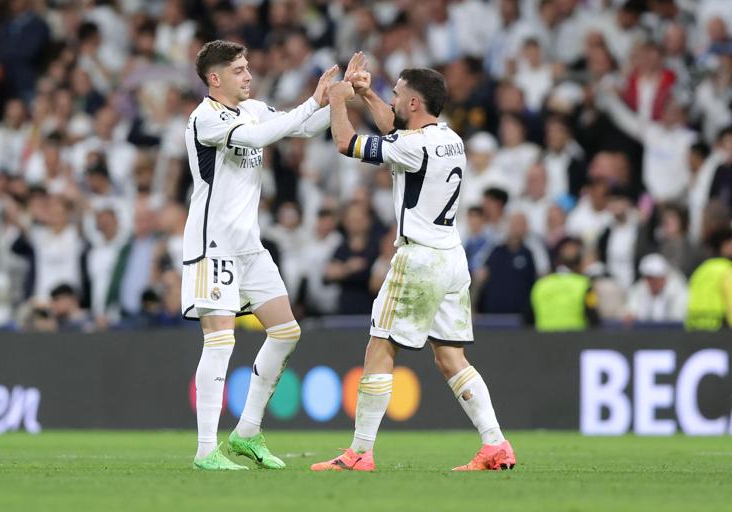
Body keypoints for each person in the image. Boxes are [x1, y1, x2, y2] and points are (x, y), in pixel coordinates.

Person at [312, 59, 515, 472]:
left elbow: (345, 142)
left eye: (397, 95)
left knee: (380, 346)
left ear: (415, 102)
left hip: (419, 258)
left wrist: (339, 100)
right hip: (452, 257)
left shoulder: (413, 146)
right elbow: (395, 127)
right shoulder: (449, 139)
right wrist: (367, 93)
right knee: (451, 358)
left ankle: (359, 452)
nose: (391, 99)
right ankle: (495, 445)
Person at [180, 40, 347, 471]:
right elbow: (261, 137)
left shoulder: (253, 108)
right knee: (219, 343)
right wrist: (311, 99)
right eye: (238, 70)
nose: (248, 75)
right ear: (214, 79)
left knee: (287, 331)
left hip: (249, 247)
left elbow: (306, 128)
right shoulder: (204, 118)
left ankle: (247, 432)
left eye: (248, 66)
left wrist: (343, 99)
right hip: (211, 245)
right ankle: (204, 451)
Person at [530, 237, 599, 331]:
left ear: (558, 262)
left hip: (544, 339)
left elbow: (528, 316)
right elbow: (592, 315)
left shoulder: (541, 284)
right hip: (575, 339)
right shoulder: (584, 284)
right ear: (579, 265)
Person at [685, 228, 732, 330]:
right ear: (724, 246)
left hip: (694, 329)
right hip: (720, 330)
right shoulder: (728, 270)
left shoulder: (700, 270)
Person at [625, 254, 688, 324]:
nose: (652, 282)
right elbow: (631, 311)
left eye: (655, 278)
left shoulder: (678, 291)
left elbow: (678, 317)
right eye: (649, 278)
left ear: (664, 277)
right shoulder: (638, 289)